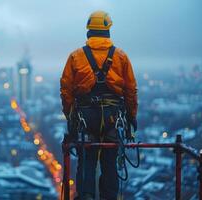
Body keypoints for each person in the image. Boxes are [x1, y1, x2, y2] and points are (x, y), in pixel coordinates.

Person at [60, 10, 138, 200]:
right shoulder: (120, 56)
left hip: (85, 117)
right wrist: (131, 116)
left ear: (88, 31)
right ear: (108, 30)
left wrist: (70, 116)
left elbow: (66, 90)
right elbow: (130, 90)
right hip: (113, 117)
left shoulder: (76, 57)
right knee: (110, 163)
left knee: (86, 162)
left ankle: (86, 196)